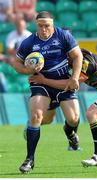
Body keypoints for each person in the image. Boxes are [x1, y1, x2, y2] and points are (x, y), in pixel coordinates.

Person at [12, 11, 83, 173]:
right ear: (36, 25)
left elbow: (77, 56)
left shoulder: (63, 36)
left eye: (47, 26)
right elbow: (16, 63)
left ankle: (71, 135)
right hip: (40, 83)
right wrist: (26, 69)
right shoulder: (29, 42)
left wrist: (75, 78)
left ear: (53, 24)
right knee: (36, 117)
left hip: (63, 82)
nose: (43, 29)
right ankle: (29, 159)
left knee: (73, 118)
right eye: (40, 26)